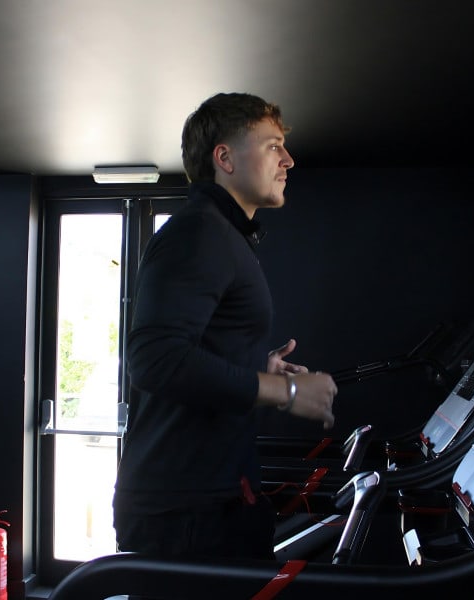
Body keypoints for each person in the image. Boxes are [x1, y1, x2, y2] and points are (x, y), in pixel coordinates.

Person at [112, 92, 338, 563]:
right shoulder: (200, 233)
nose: (289, 160)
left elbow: (195, 351)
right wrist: (286, 393)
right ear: (225, 158)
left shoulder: (224, 235)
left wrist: (259, 366)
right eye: (273, 145)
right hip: (186, 509)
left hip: (214, 496)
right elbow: (154, 360)